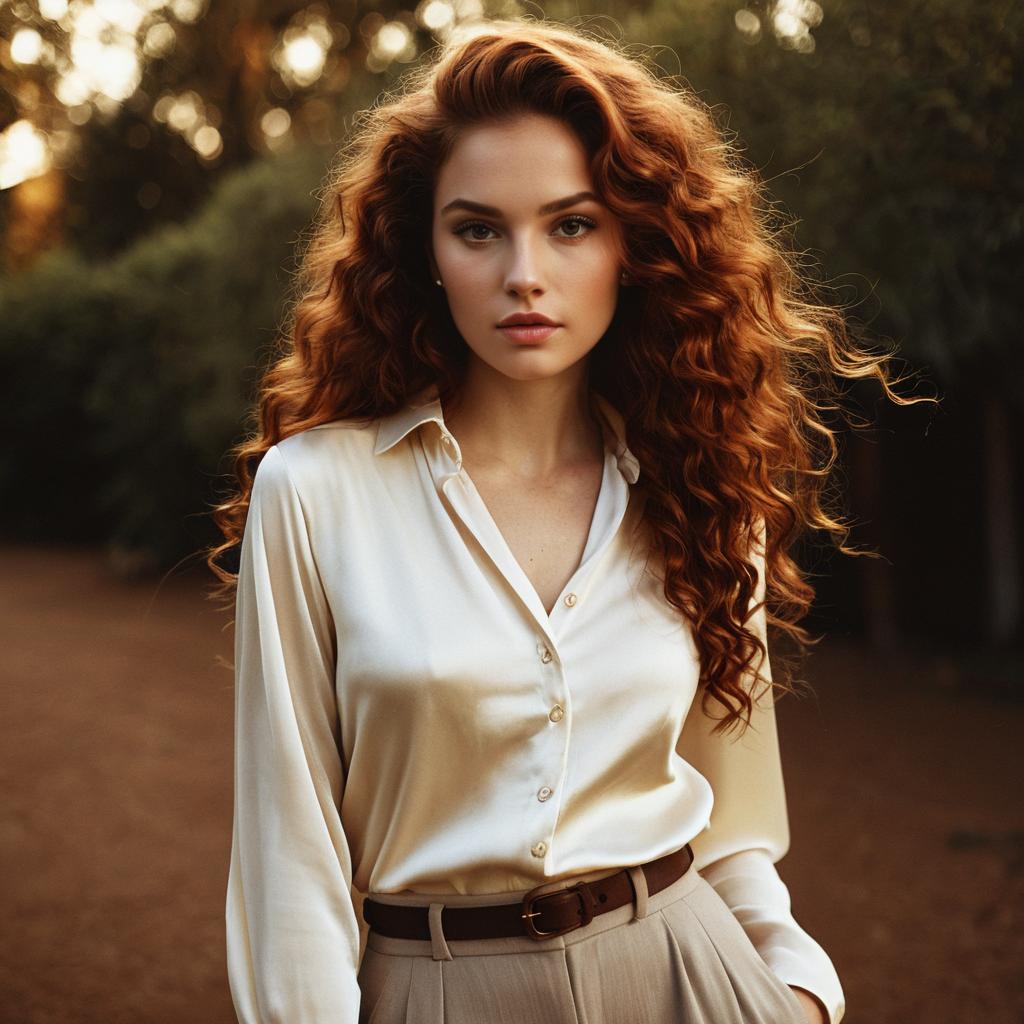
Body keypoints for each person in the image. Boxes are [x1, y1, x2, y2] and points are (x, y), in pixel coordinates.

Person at [208, 17, 919, 1024]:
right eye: (478, 228)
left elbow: (735, 817)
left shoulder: (699, 481)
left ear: (634, 243)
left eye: (571, 224)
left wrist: (795, 989)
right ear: (427, 249)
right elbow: (290, 862)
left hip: (689, 977)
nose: (524, 274)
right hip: (434, 990)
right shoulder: (315, 490)